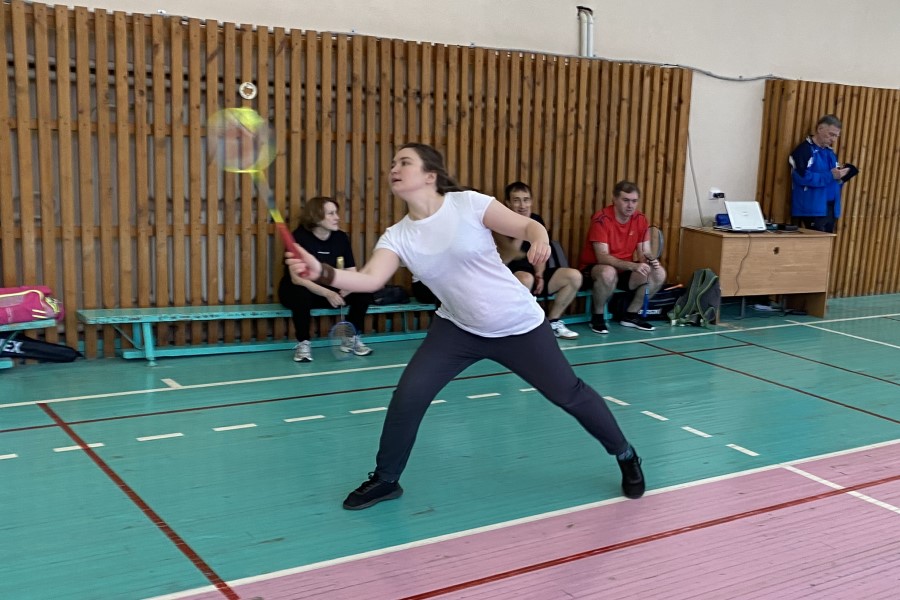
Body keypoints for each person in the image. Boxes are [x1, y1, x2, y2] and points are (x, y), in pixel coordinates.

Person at [285, 143, 645, 510]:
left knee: (569, 394)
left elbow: (526, 224)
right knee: (408, 397)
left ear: (430, 175)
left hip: (518, 325)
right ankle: (386, 479)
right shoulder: (398, 236)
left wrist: (538, 236)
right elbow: (370, 279)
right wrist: (321, 272)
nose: (394, 168)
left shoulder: (469, 204)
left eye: (404, 162)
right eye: (393, 163)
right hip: (457, 329)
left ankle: (626, 454)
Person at [278, 196, 373, 362]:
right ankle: (303, 343)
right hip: (302, 289)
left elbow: (351, 270)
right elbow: (297, 279)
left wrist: (349, 287)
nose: (337, 217)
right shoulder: (298, 237)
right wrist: (328, 293)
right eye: (331, 213)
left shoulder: (341, 237)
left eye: (336, 213)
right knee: (300, 293)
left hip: (330, 289)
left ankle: (350, 339)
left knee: (363, 290)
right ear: (316, 217)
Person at [494, 181, 582, 339]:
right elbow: (505, 259)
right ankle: (518, 327)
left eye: (526, 200)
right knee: (526, 278)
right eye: (516, 200)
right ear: (507, 203)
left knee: (574, 276)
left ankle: (553, 321)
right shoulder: (500, 222)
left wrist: (540, 274)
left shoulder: (536, 219)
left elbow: (541, 250)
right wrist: (522, 228)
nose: (522, 205)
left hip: (534, 272)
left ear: (531, 201)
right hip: (511, 275)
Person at [577, 180, 666, 334]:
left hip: (624, 269)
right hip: (594, 270)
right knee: (608, 272)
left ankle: (631, 315)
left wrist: (650, 260)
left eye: (634, 201)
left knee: (659, 274)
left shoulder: (640, 219)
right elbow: (602, 257)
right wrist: (633, 266)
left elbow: (644, 252)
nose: (630, 205)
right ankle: (597, 316)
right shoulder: (601, 219)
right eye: (626, 200)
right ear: (615, 199)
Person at [789, 114, 858, 233]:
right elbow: (801, 177)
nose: (833, 140)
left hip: (830, 207)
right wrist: (831, 175)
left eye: (836, 136)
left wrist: (843, 175)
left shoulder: (830, 153)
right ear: (820, 128)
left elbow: (832, 178)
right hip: (813, 208)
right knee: (815, 244)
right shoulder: (804, 150)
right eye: (831, 134)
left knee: (827, 243)